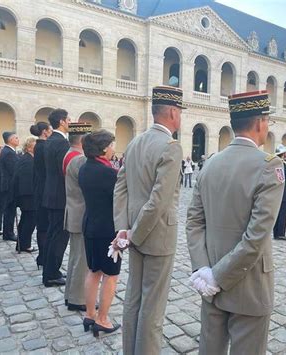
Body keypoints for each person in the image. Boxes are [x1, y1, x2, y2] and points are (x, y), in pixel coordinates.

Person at [186, 90, 285, 355]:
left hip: (211, 285)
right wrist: (217, 276)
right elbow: (256, 237)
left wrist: (203, 270)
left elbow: (194, 222)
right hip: (249, 285)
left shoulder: (210, 163)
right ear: (261, 123)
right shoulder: (269, 166)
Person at [113, 85, 184, 354]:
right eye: (180, 113)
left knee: (133, 299)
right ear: (173, 113)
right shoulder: (170, 147)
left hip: (133, 232)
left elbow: (120, 187)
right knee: (153, 308)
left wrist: (124, 229)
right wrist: (135, 234)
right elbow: (159, 201)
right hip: (156, 236)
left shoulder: (134, 143)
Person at [78, 130, 120, 337]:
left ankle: (89, 314)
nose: (114, 149)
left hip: (90, 225)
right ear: (104, 148)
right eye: (112, 144)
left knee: (93, 271)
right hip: (107, 229)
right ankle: (103, 319)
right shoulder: (109, 173)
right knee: (111, 275)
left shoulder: (85, 168)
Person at [63, 123, 92, 311]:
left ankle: (70, 295)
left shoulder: (69, 155)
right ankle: (77, 298)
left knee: (75, 257)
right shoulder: (79, 159)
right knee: (81, 260)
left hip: (73, 211)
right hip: (80, 212)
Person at [42, 109, 70, 287]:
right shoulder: (61, 143)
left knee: (53, 234)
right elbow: (64, 171)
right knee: (58, 237)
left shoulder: (50, 141)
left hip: (51, 193)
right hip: (60, 195)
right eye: (68, 119)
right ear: (61, 121)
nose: (70, 122)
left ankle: (51, 270)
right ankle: (51, 273)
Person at [31, 121, 53, 268]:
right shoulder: (44, 146)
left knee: (42, 226)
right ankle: (44, 257)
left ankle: (42, 257)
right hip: (44, 189)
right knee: (44, 226)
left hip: (39, 189)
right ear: (45, 131)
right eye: (50, 130)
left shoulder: (39, 146)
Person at [12, 136, 37, 252]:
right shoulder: (27, 160)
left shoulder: (28, 158)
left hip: (27, 195)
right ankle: (25, 244)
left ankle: (21, 244)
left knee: (26, 220)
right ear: (29, 148)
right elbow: (26, 181)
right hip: (28, 196)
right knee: (29, 221)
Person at [0, 131, 19, 241]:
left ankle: (8, 232)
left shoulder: (9, 151)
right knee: (9, 210)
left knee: (10, 210)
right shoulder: (8, 153)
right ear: (10, 140)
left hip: (8, 184)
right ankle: (8, 233)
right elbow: (14, 170)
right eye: (16, 138)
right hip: (9, 185)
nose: (18, 139)